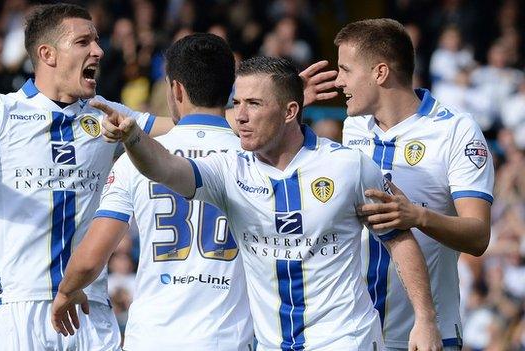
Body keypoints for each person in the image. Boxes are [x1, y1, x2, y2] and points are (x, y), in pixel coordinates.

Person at [94, 56, 443, 351]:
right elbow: (166, 167)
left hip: (345, 339)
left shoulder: (350, 166)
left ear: (291, 111)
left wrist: (425, 320)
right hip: (270, 344)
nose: (240, 116)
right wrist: (134, 139)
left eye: (254, 104)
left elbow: (399, 239)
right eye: (237, 103)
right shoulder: (228, 169)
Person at [0, 3, 174, 350]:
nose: (98, 50)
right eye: (83, 42)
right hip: (19, 308)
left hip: (89, 308)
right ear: (47, 54)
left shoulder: (108, 114)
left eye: (96, 41)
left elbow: (188, 131)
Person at [51, 33, 253, 350]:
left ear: (175, 89)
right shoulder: (254, 161)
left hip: (152, 338)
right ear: (230, 88)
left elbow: (91, 259)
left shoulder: (136, 159)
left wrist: (67, 291)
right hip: (227, 338)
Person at [334, 18, 494, 351]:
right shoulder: (354, 129)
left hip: (426, 335)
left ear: (380, 73)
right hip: (354, 334)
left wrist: (418, 217)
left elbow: (478, 235)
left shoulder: (455, 131)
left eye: (346, 70)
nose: (338, 81)